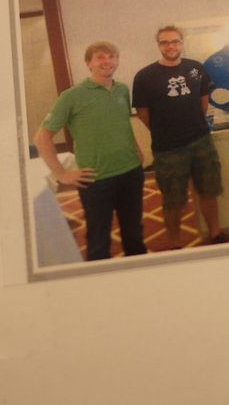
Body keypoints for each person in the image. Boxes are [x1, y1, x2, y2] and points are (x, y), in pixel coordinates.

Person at [33, 41, 148, 261]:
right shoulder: (71, 96)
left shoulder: (122, 90)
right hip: (96, 179)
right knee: (98, 239)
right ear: (88, 63)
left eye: (112, 56)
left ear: (117, 60)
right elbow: (42, 138)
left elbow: (122, 123)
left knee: (134, 233)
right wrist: (62, 174)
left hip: (131, 172)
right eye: (100, 57)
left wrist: (136, 150)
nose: (107, 61)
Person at [132, 25, 226, 248]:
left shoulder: (196, 68)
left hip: (201, 140)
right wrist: (163, 130)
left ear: (182, 43)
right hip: (168, 148)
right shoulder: (145, 76)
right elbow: (142, 112)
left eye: (175, 41)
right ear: (158, 46)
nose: (170, 46)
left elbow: (203, 99)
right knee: (173, 199)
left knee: (208, 190)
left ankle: (215, 233)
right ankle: (174, 242)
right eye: (165, 42)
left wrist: (194, 123)